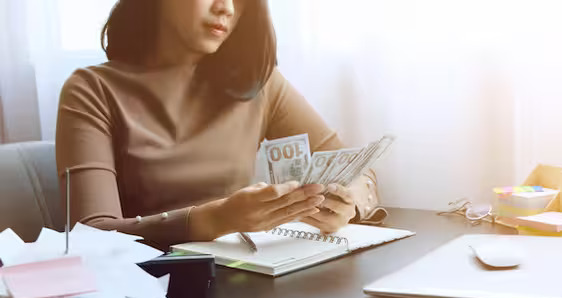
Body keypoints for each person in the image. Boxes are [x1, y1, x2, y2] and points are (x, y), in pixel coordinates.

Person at [55, 0, 386, 248]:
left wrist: (349, 203)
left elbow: (356, 167)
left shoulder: (260, 86)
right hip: (150, 295)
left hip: (247, 281)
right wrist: (217, 219)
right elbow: (92, 234)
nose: (226, 8)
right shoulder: (91, 89)